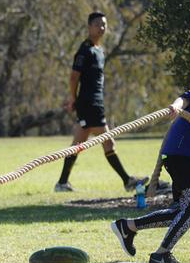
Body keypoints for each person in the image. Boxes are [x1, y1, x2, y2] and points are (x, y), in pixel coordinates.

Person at [111, 56, 190, 263]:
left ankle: (128, 227)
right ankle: (161, 254)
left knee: (182, 209)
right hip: (181, 149)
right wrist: (175, 106)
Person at [55, 12, 147, 192]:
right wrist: (74, 99)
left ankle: (62, 183)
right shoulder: (85, 51)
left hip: (95, 103)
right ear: (89, 27)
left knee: (78, 144)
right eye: (97, 24)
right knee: (108, 142)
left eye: (104, 24)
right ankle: (127, 181)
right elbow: (74, 78)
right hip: (89, 104)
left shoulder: (100, 51)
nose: (101, 28)